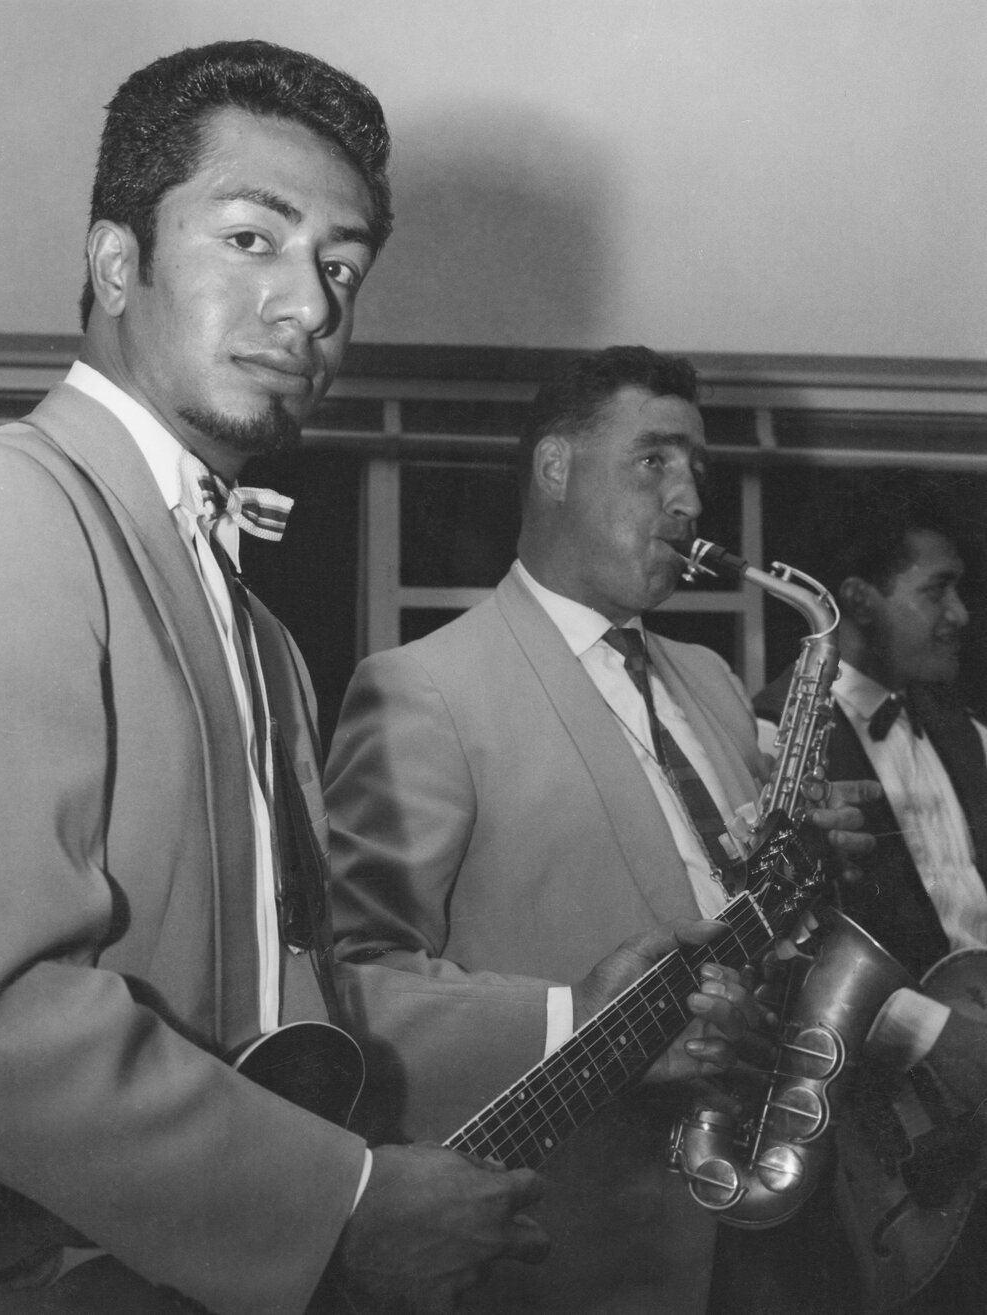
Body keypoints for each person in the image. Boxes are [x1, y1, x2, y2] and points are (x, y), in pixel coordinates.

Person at [0, 39, 562, 1315]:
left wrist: (588, 1017)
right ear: (115, 258)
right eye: (254, 237)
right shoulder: (13, 510)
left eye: (340, 266)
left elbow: (289, 1001)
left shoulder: (263, 634)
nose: (313, 306)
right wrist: (343, 1203)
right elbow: (3, 1011)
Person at [324, 345, 877, 1315]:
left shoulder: (708, 675)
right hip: (581, 1242)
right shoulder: (424, 689)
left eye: (697, 469)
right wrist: (583, 1025)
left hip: (768, 1225)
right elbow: (357, 974)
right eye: (655, 460)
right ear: (554, 467)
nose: (691, 500)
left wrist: (804, 862)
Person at [754, 492, 987, 1313]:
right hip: (885, 1139)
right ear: (854, 598)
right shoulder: (769, 736)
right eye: (937, 590)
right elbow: (789, 955)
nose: (960, 613)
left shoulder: (965, 731)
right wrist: (939, 1038)